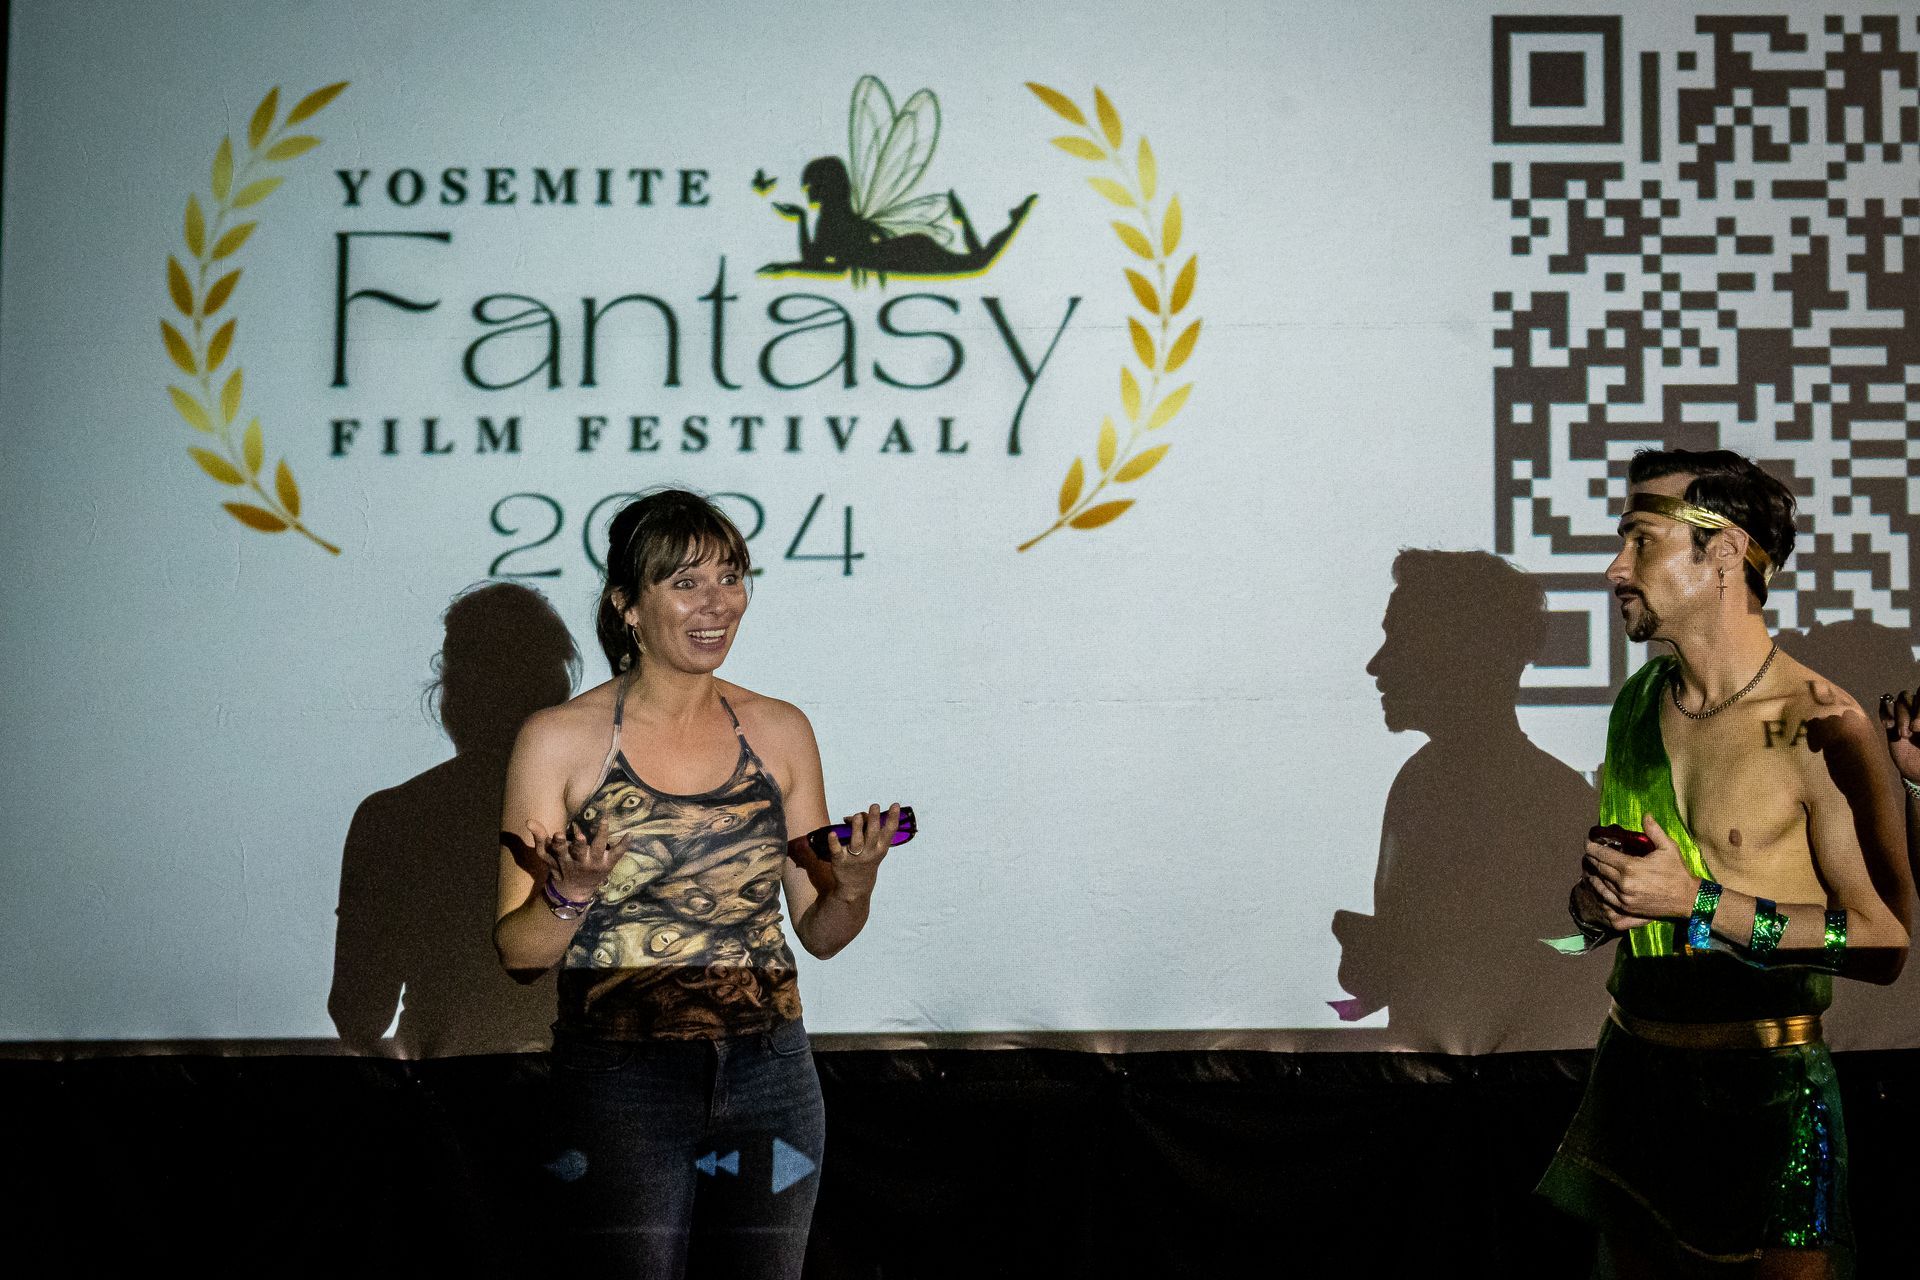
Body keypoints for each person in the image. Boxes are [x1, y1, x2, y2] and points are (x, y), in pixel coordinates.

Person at [493, 488, 899, 1278]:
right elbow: (518, 952)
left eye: (730, 577)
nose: (717, 604)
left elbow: (819, 934)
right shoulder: (558, 740)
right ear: (628, 606)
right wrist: (569, 893)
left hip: (772, 1072)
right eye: (685, 583)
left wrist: (853, 886)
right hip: (622, 1079)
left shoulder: (780, 729)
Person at [1541, 449, 1912, 1277]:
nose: (1615, 568)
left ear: (1723, 553)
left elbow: (1884, 942)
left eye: (1641, 540)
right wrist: (1595, 909)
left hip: (1767, 1102)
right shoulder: (1639, 703)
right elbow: (1631, 897)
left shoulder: (1821, 724)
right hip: (1634, 1082)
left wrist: (1700, 903)